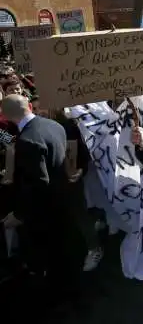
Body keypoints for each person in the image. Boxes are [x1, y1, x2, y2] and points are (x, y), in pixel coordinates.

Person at [1, 94, 83, 315]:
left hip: (44, 213)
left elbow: (38, 183)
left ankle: (57, 298)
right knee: (65, 253)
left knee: (49, 257)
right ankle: (72, 290)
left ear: (7, 117)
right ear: (29, 106)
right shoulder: (54, 125)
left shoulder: (27, 140)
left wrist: (19, 214)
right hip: (63, 201)